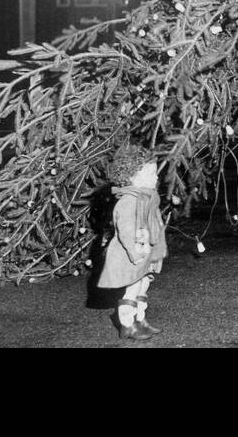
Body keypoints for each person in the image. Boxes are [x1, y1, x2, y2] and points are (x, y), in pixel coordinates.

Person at [97, 143, 167, 341]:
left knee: (144, 284)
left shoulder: (147, 197)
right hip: (133, 253)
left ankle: (140, 319)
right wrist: (136, 254)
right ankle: (127, 324)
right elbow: (127, 231)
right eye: (151, 173)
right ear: (133, 176)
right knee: (133, 287)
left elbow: (154, 222)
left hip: (147, 250)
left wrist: (157, 248)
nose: (156, 177)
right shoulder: (128, 201)